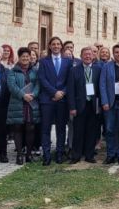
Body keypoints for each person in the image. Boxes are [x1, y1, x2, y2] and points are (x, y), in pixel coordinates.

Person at [39, 36, 73, 165]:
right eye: (54, 44)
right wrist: (54, 92)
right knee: (46, 128)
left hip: (62, 100)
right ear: (49, 46)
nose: (56, 46)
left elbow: (70, 80)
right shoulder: (44, 61)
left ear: (61, 46)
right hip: (47, 99)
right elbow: (42, 79)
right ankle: (46, 155)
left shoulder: (67, 61)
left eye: (58, 44)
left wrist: (62, 93)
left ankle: (59, 153)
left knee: (61, 128)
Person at [68, 47, 100, 164]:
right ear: (81, 56)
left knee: (91, 131)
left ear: (93, 56)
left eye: (89, 54)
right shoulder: (74, 70)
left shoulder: (98, 69)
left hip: (93, 105)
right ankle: (76, 156)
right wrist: (72, 107)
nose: (87, 56)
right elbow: (71, 90)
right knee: (78, 131)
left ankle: (89, 155)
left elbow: (100, 88)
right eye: (85, 54)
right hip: (79, 105)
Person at [7, 48, 39, 165]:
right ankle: (19, 154)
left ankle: (29, 154)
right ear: (19, 58)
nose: (25, 58)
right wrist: (23, 95)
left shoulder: (35, 71)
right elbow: (11, 86)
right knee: (18, 128)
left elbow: (38, 84)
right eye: (23, 56)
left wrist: (34, 94)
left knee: (30, 128)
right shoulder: (13, 71)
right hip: (18, 102)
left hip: (31, 103)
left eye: (27, 56)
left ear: (30, 57)